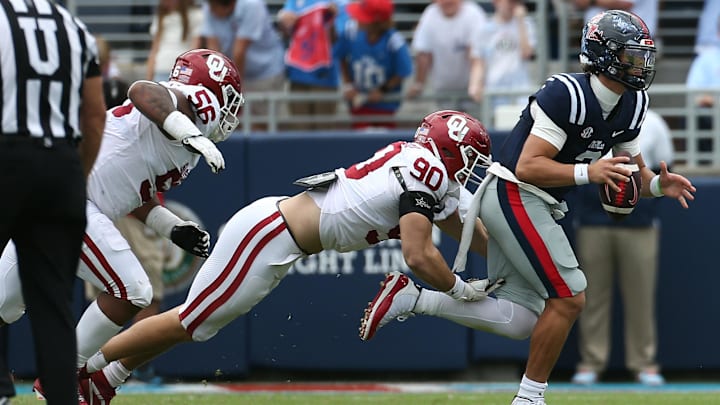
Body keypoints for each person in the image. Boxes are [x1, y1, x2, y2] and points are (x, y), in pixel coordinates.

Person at [360, 10, 696, 405]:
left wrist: (657, 184)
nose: (641, 65)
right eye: (631, 56)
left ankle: (413, 299)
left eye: (643, 56)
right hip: (514, 192)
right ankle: (530, 398)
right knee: (570, 297)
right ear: (604, 55)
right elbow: (528, 165)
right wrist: (588, 172)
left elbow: (630, 177)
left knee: (520, 319)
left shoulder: (633, 104)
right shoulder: (567, 94)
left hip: (540, 202)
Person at [76, 110, 499, 403]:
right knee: (193, 322)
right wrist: (460, 290)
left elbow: (468, 234)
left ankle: (103, 380)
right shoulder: (428, 170)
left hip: (279, 237)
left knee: (196, 323)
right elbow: (419, 255)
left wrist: (508, 257)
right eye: (471, 159)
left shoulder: (427, 172)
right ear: (450, 152)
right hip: (270, 235)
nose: (471, 170)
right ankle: (82, 370)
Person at [0, 48, 244, 401]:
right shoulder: (177, 106)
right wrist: (194, 135)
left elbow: (134, 193)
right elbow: (142, 91)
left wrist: (171, 227)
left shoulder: (181, 135)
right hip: (67, 195)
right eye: (229, 99)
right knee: (132, 291)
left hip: (53, 194)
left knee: (3, 305)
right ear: (207, 91)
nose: (231, 113)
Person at [0, 0, 106, 403]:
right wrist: (72, 177)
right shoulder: (74, 28)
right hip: (61, 164)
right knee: (54, 309)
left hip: (7, 154)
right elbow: (95, 116)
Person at [571, 108, 674, 386]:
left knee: (641, 296)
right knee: (591, 296)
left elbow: (665, 170)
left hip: (639, 223)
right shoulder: (588, 120)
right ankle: (592, 361)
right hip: (594, 221)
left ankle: (643, 363)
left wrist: (649, 201)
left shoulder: (653, 122)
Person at [198, 0, 285, 130]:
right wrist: (218, 85)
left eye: (214, 7)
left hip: (265, 73)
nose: (211, 11)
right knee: (232, 125)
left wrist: (235, 88)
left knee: (266, 125)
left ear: (231, 4)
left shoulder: (253, 5)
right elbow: (213, 50)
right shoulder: (209, 5)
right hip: (235, 73)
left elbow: (239, 51)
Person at [337, 0, 413, 129]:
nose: (357, 19)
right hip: (358, 102)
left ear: (377, 23)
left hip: (385, 105)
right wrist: (348, 84)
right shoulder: (351, 32)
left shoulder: (394, 42)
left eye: (363, 16)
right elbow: (341, 55)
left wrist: (382, 90)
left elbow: (403, 71)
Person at [277, 0, 348, 130]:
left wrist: (331, 19)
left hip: (325, 79)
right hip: (298, 77)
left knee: (323, 134)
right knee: (299, 132)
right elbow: (287, 30)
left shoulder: (341, 3)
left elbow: (338, 40)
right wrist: (285, 22)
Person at [407, 0, 487, 111]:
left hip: (470, 93)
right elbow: (423, 54)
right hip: (442, 92)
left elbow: (476, 56)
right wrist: (419, 84)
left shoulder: (473, 14)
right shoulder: (430, 15)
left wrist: (475, 85)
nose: (447, 2)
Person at [468, 0, 536, 110]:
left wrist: (520, 21)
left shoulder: (526, 24)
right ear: (496, 2)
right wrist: (475, 84)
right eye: (509, 2)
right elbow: (478, 62)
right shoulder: (484, 29)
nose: (513, 5)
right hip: (493, 93)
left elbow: (527, 53)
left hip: (520, 93)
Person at [146, 0, 204, 83]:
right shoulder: (160, 17)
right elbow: (154, 50)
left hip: (183, 70)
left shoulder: (196, 15)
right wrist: (148, 79)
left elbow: (194, 50)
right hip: (161, 68)